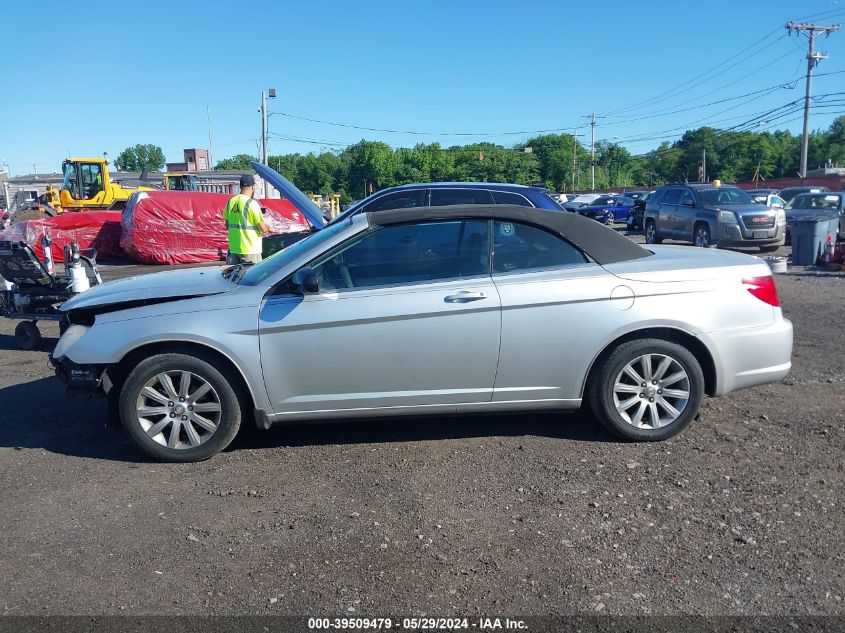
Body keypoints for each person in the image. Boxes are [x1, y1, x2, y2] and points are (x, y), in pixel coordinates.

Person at [223, 174, 270, 264]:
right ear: (253, 187)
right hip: (250, 249)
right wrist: (268, 228)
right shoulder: (252, 204)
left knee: (236, 272)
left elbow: (227, 226)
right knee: (253, 273)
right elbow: (263, 229)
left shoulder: (231, 202)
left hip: (234, 249)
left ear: (240, 186)